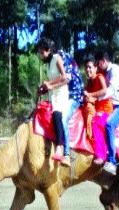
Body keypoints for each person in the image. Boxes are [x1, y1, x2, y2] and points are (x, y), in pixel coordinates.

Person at [93, 52, 119, 175]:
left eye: (98, 63)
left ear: (103, 61)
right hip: (114, 107)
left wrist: (96, 98)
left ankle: (112, 162)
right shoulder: (106, 73)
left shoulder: (115, 70)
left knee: (109, 124)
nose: (97, 66)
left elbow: (111, 90)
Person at [38, 38, 73, 166]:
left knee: (57, 115)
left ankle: (60, 147)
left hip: (61, 94)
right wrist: (44, 89)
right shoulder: (47, 64)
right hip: (53, 95)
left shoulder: (57, 58)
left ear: (49, 51)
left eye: (42, 53)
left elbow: (65, 77)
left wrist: (50, 84)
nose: (40, 55)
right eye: (40, 53)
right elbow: (52, 81)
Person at [83, 56, 113, 165]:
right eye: (86, 67)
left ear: (96, 68)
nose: (88, 70)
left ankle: (101, 155)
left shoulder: (99, 77)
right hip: (96, 109)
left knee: (96, 123)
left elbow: (105, 90)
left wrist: (90, 95)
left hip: (105, 109)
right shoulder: (89, 83)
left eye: (90, 67)